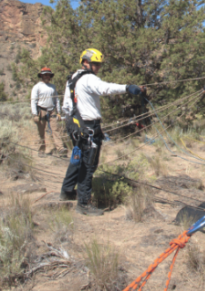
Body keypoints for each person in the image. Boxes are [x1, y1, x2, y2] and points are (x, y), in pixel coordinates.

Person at [60, 48, 144, 216]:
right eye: (95, 64)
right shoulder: (89, 78)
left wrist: (74, 123)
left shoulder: (72, 79)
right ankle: (83, 203)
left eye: (98, 65)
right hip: (88, 127)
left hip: (76, 126)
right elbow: (105, 88)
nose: (97, 67)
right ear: (85, 62)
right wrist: (128, 88)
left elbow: (66, 106)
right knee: (88, 165)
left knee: (77, 159)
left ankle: (68, 190)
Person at [30, 67, 64, 156]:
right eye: (45, 75)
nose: (47, 76)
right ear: (41, 76)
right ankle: (41, 150)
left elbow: (57, 99)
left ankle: (60, 149)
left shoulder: (53, 86)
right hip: (41, 110)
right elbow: (33, 101)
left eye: (48, 75)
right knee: (41, 132)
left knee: (55, 130)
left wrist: (58, 112)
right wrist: (34, 114)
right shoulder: (37, 87)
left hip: (52, 111)